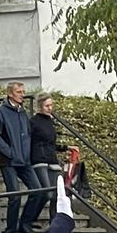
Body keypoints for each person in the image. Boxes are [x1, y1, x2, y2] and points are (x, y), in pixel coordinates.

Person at [0, 81, 42, 233]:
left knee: (37, 190)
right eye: (19, 92)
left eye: (23, 91)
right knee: (15, 195)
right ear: (10, 94)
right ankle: (11, 230)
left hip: (24, 160)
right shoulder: (1, 112)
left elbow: (28, 134)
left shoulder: (23, 112)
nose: (22, 94)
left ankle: (25, 224)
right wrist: (9, 152)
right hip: (9, 161)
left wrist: (27, 153)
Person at [29, 92, 71, 224]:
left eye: (51, 105)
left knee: (57, 192)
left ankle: (54, 221)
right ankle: (31, 218)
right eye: (47, 106)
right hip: (39, 159)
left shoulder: (50, 122)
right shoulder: (33, 122)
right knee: (46, 192)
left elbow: (51, 143)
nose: (50, 108)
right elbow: (29, 141)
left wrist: (66, 147)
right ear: (40, 106)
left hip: (51, 159)